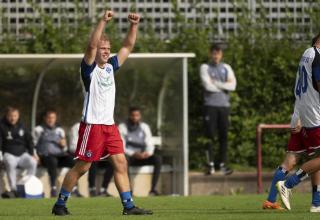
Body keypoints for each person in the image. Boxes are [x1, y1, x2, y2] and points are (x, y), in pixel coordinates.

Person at [51, 11, 152, 216]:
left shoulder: (110, 67)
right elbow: (91, 46)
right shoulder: (89, 70)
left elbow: (127, 47)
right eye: (102, 48)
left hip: (109, 126)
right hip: (92, 126)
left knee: (121, 163)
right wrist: (103, 22)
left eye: (107, 49)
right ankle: (60, 204)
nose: (105, 52)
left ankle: (128, 206)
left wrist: (134, 26)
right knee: (82, 167)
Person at [276, 33, 320, 212]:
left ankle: (316, 203)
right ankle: (288, 184)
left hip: (306, 111)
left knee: (317, 158)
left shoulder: (307, 53)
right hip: (316, 113)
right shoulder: (317, 55)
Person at [262, 108, 317, 210]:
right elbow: (308, 100)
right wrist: (302, 119)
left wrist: (299, 118)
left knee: (289, 163)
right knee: (317, 159)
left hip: (298, 120)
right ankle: (316, 203)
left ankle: (270, 200)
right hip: (310, 122)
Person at [200, 44, 237, 175]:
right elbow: (207, 86)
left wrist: (215, 83)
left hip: (224, 107)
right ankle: (210, 165)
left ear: (221, 55)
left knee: (224, 137)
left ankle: (222, 165)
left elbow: (233, 86)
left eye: (218, 53)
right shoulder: (205, 67)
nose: (216, 56)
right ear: (210, 54)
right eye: (214, 53)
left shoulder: (226, 67)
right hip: (210, 106)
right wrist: (224, 86)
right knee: (210, 136)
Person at [119, 107, 162, 196]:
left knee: (158, 159)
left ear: (140, 116)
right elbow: (122, 146)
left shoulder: (144, 127)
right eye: (133, 115)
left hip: (142, 157)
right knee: (124, 160)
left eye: (137, 115)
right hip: (130, 157)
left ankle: (153, 190)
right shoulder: (122, 127)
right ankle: (129, 190)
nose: (135, 117)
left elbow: (149, 143)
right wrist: (133, 153)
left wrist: (147, 153)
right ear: (129, 116)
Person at [34, 109, 76, 197]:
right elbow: (33, 145)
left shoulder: (59, 130)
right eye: (49, 118)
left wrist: (63, 145)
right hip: (45, 156)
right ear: (45, 118)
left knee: (73, 162)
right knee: (52, 161)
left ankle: (74, 187)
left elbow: (64, 148)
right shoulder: (38, 129)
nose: (51, 120)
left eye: (53, 118)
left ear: (55, 119)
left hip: (59, 155)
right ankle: (53, 188)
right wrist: (36, 156)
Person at [0, 107, 38, 197]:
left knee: (33, 162)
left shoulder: (22, 126)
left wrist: (33, 154)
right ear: (6, 116)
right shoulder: (1, 126)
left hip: (22, 154)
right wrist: (0, 158)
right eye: (10, 116)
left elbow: (29, 141)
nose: (13, 118)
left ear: (18, 116)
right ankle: (14, 189)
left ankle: (27, 186)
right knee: (10, 163)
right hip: (8, 153)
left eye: (15, 116)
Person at [70, 122, 114, 197]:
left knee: (114, 163)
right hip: (83, 155)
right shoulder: (77, 127)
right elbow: (72, 147)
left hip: (99, 155)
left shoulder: (104, 126)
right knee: (92, 159)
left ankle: (103, 190)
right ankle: (91, 189)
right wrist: (89, 151)